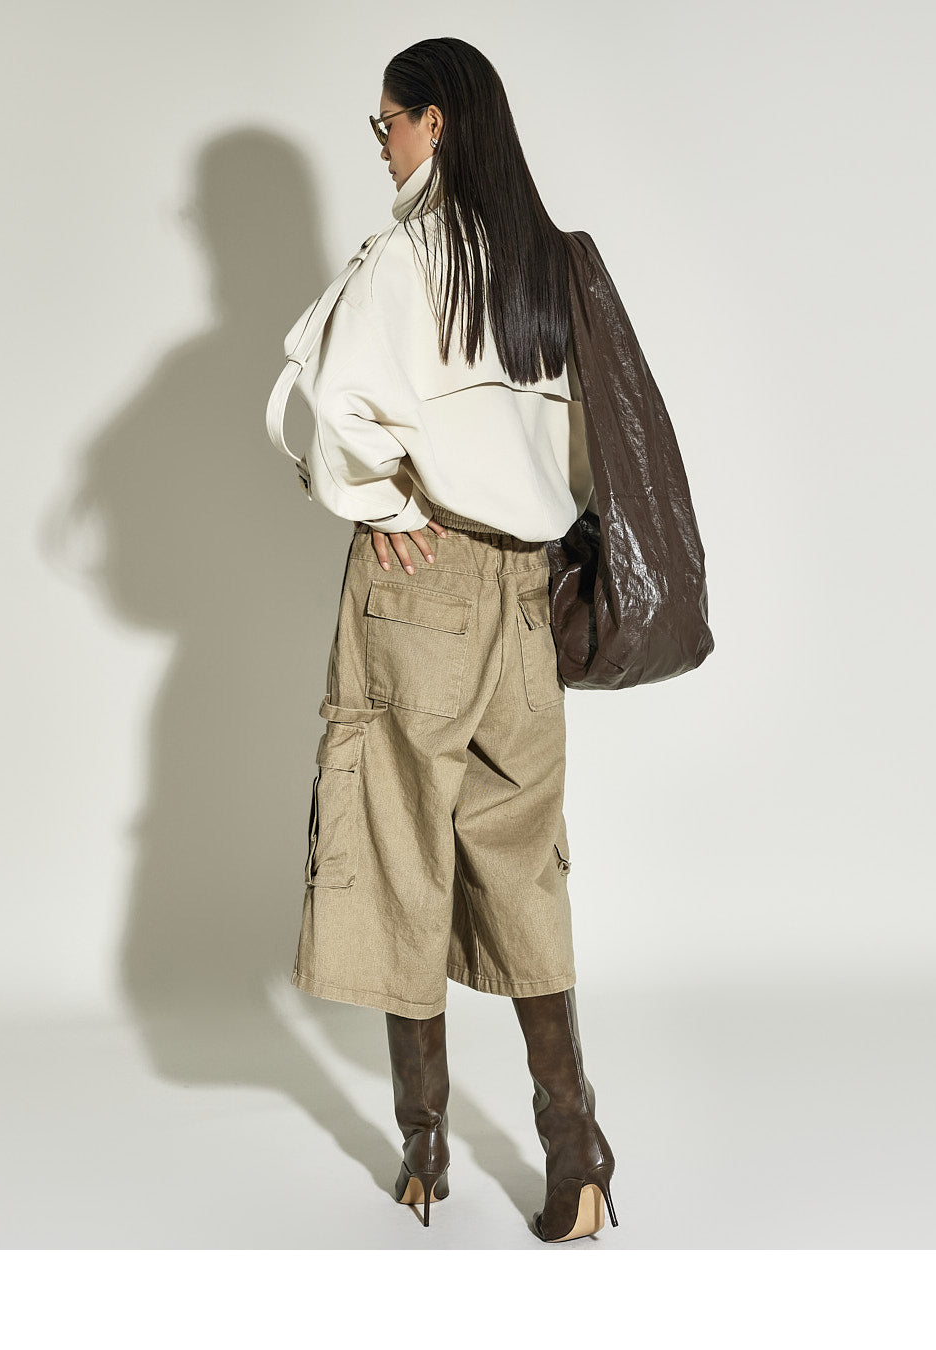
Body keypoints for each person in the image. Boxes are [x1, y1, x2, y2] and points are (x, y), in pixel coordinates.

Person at [282, 36, 617, 1243]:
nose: (382, 146)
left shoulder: (408, 255)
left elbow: (329, 404)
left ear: (435, 122)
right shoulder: (545, 261)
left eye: (387, 124)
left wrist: (386, 508)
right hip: (527, 592)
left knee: (396, 844)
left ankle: (422, 1146)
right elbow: (590, 446)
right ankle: (575, 1149)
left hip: (421, 589)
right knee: (521, 860)